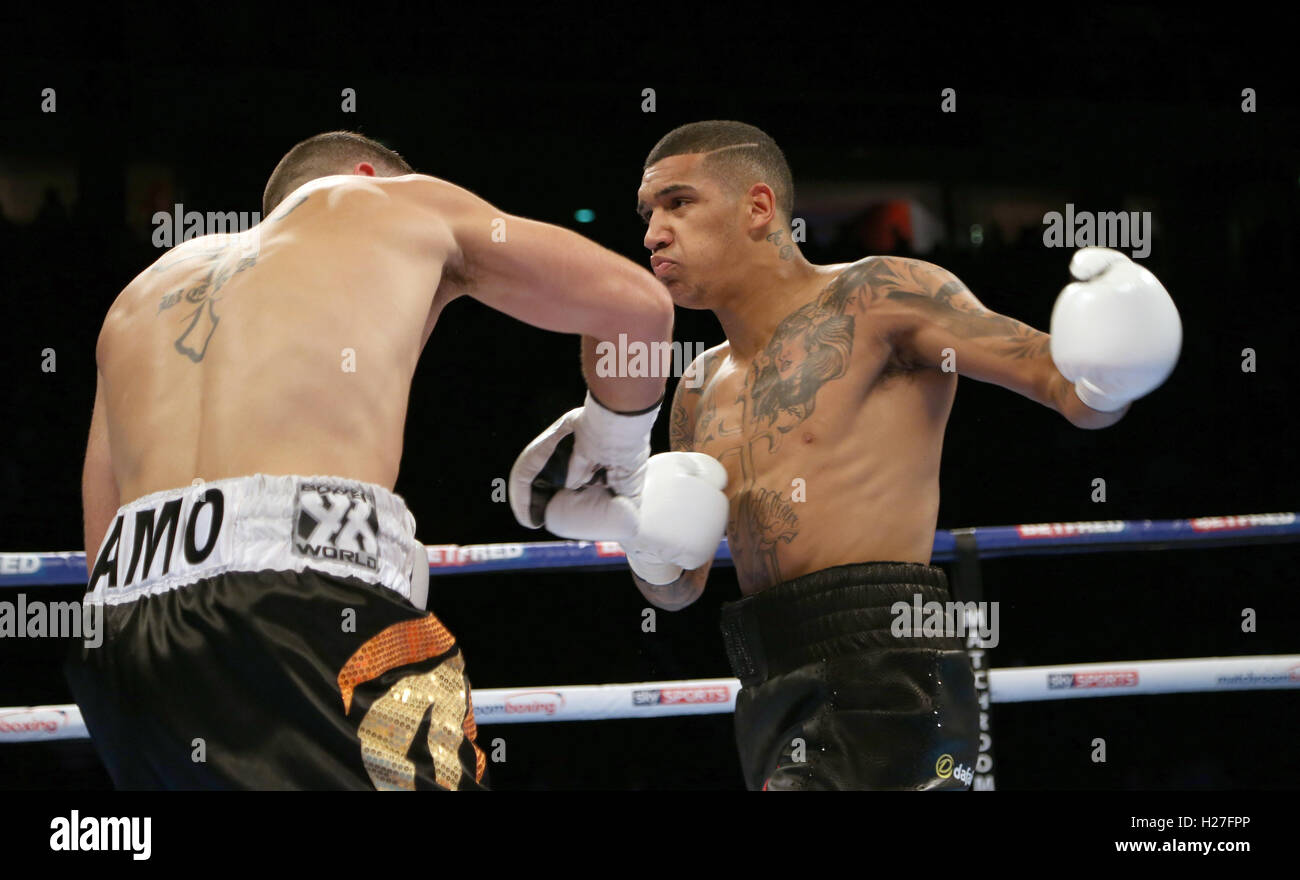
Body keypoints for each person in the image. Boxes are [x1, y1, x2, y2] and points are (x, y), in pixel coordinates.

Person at [66, 130, 674, 789]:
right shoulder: (387, 202)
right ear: (367, 174)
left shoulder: (139, 295)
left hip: (122, 642)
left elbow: (104, 542)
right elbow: (639, 307)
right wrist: (615, 459)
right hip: (299, 607)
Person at [610, 120, 1179, 790]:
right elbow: (680, 588)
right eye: (648, 214)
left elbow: (1063, 385)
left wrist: (1118, 370)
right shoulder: (698, 388)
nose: (653, 233)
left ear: (758, 208)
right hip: (765, 672)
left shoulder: (877, 295)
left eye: (678, 204)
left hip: (885, 654)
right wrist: (640, 540)